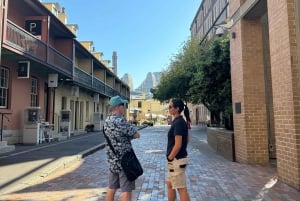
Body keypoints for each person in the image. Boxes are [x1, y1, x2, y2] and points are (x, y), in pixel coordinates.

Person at [103, 95, 141, 201]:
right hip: (125, 162)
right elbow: (137, 134)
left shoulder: (106, 121)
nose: (124, 107)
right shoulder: (121, 121)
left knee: (111, 188)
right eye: (123, 105)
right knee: (126, 190)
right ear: (118, 107)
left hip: (112, 160)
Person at [166, 98, 191, 201]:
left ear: (177, 109)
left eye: (171, 107)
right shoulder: (178, 121)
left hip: (176, 160)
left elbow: (178, 144)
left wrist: (171, 157)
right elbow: (187, 139)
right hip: (176, 160)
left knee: (181, 188)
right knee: (170, 184)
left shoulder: (179, 122)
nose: (169, 108)